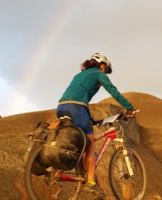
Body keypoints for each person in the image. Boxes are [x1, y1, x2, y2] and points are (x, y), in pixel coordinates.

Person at [56, 52, 137, 195]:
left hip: (62, 107)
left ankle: (62, 168)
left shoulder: (79, 75)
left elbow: (79, 95)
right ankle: (91, 182)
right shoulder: (99, 74)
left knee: (76, 139)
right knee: (91, 142)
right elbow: (113, 91)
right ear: (102, 65)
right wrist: (129, 107)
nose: (105, 73)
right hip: (77, 108)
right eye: (106, 69)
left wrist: (90, 118)